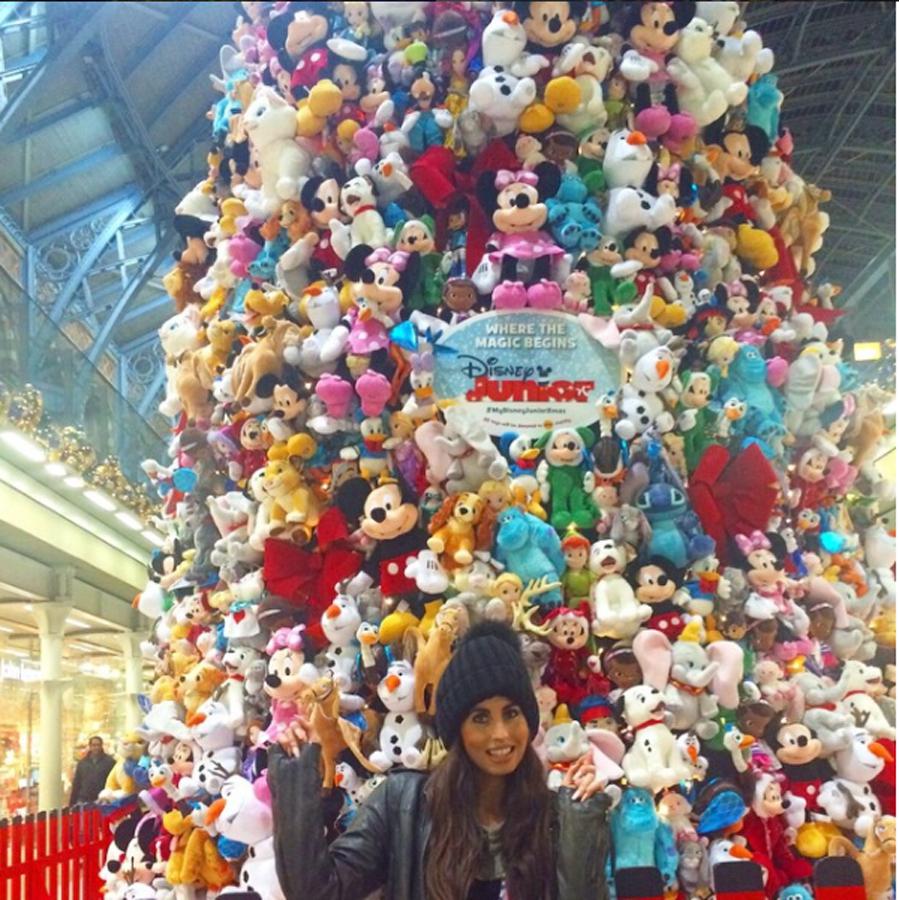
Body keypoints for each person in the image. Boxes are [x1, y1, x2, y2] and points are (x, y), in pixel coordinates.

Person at [269, 622, 612, 900]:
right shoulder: (404, 803)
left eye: (512, 713)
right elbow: (317, 892)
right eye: (480, 717)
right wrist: (296, 779)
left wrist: (580, 820)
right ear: (456, 730)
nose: (501, 734)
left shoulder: (553, 816)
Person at [69, 735, 115, 806]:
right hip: (84, 800)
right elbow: (77, 783)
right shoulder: (82, 763)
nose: (96, 747)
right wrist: (72, 803)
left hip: (102, 800)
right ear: (90, 746)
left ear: (101, 746)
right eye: (94, 745)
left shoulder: (110, 762)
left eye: (98, 745)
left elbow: (113, 781)